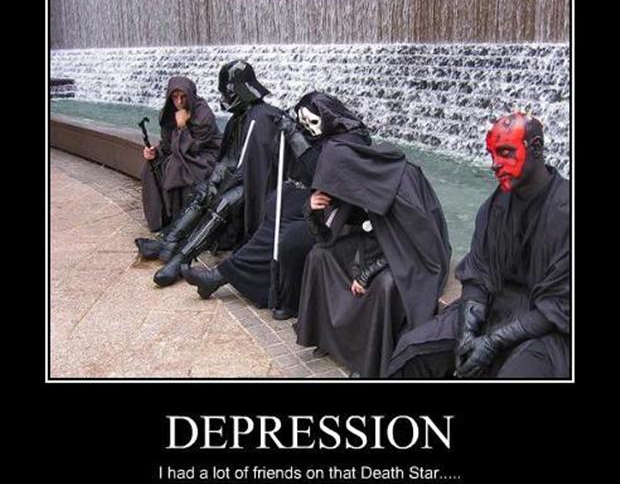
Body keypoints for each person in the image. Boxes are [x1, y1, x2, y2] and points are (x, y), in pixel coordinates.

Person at [388, 112, 570, 379]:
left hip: (547, 327)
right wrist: (468, 330)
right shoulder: (494, 205)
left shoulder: (566, 211)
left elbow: (560, 305)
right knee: (413, 349)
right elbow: (477, 272)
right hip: (495, 306)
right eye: (492, 154)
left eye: (505, 152)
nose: (495, 164)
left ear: (536, 147)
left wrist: (494, 341)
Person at [182, 92, 372, 320]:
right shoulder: (324, 135)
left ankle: (222, 278)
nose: (309, 128)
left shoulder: (352, 141)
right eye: (303, 123)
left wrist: (295, 136)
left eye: (312, 121)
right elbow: (306, 169)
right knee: (275, 213)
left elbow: (321, 171)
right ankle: (228, 278)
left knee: (284, 234)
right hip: (319, 203)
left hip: (339, 214)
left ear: (327, 116)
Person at [295, 140, 451, 378]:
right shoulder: (354, 180)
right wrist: (311, 210)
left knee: (384, 285)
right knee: (319, 256)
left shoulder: (402, 182)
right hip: (374, 240)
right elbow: (325, 238)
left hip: (410, 253)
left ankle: (367, 361)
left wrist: (367, 274)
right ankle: (326, 338)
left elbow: (415, 248)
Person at [135, 61, 282, 286]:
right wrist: (214, 181)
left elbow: (257, 165)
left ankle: (182, 257)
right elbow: (228, 159)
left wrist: (225, 182)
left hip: (258, 184)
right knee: (204, 191)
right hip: (238, 176)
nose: (223, 98)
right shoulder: (239, 119)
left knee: (223, 202)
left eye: (226, 92)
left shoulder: (262, 118)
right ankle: (169, 241)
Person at [141, 76, 221, 232]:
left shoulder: (203, 114)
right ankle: (161, 218)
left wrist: (182, 126)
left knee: (177, 168)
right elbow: (167, 143)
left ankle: (180, 221)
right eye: (175, 97)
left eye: (183, 97)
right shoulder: (169, 112)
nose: (179, 102)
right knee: (150, 167)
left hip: (205, 155)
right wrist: (154, 151)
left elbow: (193, 147)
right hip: (183, 151)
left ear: (190, 95)